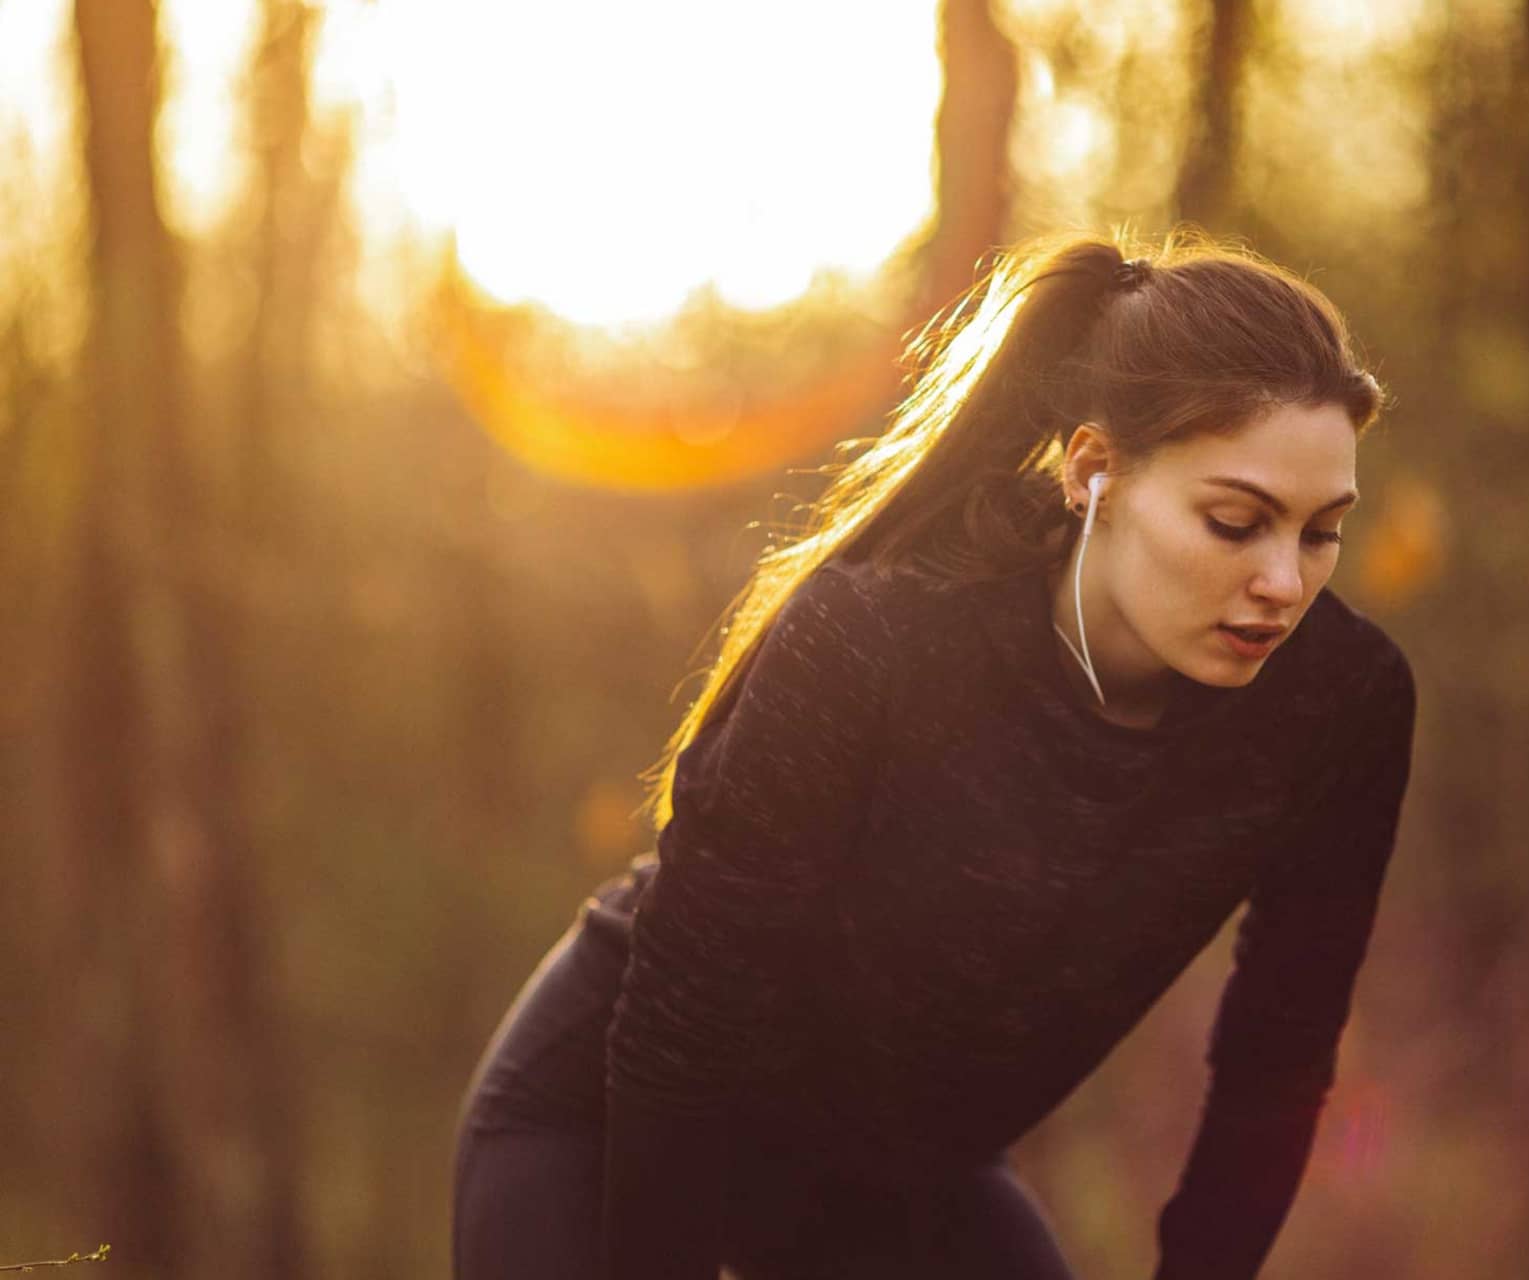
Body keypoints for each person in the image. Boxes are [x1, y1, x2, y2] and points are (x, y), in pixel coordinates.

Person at [450, 228, 1418, 1280]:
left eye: (1320, 531)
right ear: (1092, 471)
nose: (1284, 579)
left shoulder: (1340, 705)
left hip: (903, 1182)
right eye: (1236, 521)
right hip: (614, 1131)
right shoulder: (876, 637)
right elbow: (687, 1024)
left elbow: (1276, 1055)